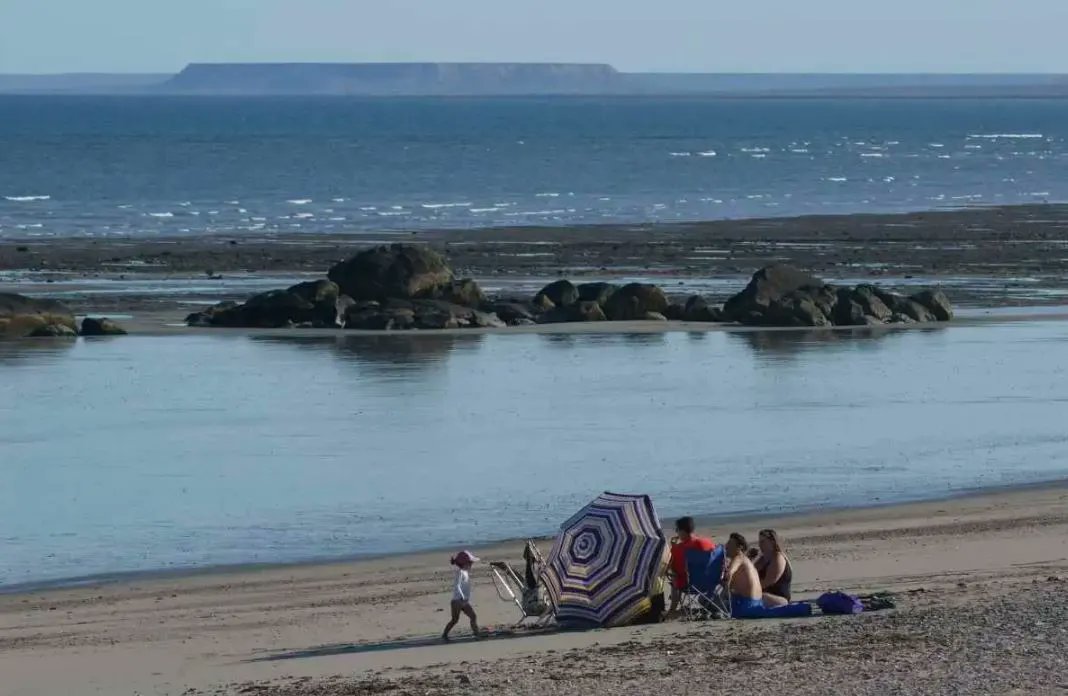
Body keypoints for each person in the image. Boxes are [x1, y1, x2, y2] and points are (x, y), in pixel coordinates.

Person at [667, 516, 716, 616]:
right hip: (711, 581)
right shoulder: (708, 543)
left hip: (692, 585)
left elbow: (675, 569)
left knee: (674, 578)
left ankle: (672, 610)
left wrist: (673, 548)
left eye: (677, 530)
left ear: (683, 531)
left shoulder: (679, 549)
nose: (677, 533)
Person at [442, 550, 482, 642]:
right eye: (470, 563)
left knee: (473, 616)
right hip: (457, 601)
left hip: (464, 601)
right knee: (455, 620)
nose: (471, 565)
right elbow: (457, 585)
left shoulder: (465, 573)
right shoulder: (460, 572)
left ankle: (476, 633)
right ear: (465, 563)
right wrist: (462, 596)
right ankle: (444, 634)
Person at [724, 532, 766, 618]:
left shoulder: (738, 558)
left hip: (745, 606)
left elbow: (729, 573)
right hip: (758, 603)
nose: (726, 546)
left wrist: (725, 590)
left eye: (730, 544)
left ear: (740, 548)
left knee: (711, 598)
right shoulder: (746, 560)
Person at [753, 529, 793, 608]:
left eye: (763, 542)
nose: (760, 545)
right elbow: (750, 574)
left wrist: (749, 590)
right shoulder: (762, 559)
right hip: (763, 595)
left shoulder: (778, 558)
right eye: (759, 542)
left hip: (779, 599)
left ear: (772, 542)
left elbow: (768, 582)